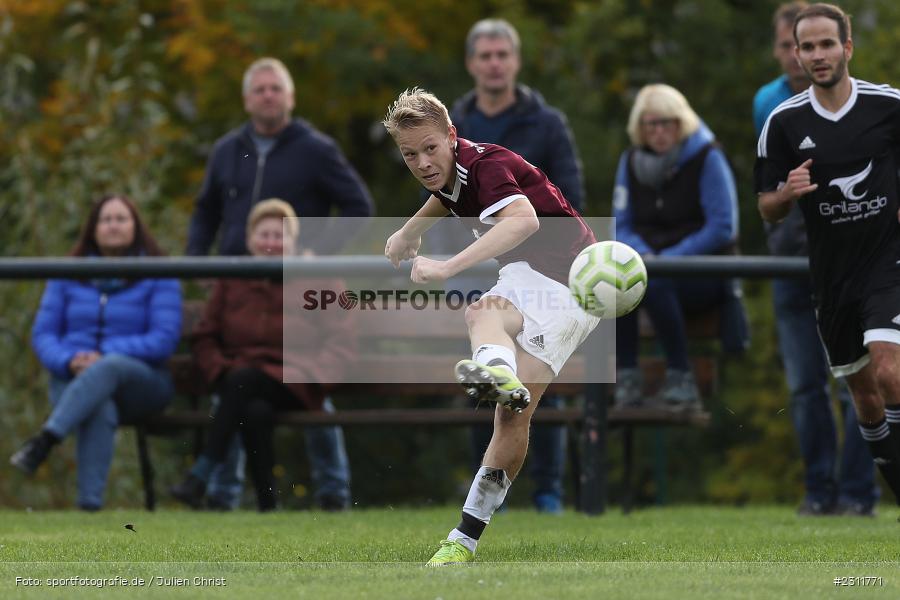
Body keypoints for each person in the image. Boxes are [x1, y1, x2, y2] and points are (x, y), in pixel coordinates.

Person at [382, 88, 600, 565]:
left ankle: (463, 539)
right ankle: (497, 374)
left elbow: (523, 222)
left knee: (511, 416)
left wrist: (446, 267)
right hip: (528, 273)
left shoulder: (487, 165)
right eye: (409, 155)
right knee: (482, 315)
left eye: (430, 148)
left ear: (452, 137)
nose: (421, 163)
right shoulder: (453, 169)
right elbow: (446, 195)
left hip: (572, 285)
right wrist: (410, 231)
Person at [186, 57, 371, 510]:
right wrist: (197, 263)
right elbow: (205, 209)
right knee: (247, 397)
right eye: (260, 89)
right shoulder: (228, 150)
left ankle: (332, 491)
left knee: (281, 396)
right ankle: (226, 494)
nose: (268, 95)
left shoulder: (315, 149)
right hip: (239, 284)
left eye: (276, 88)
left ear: (290, 97)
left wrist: (315, 255)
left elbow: (358, 207)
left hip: (298, 295)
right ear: (248, 98)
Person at [756, 2, 900, 511]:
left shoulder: (888, 105)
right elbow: (765, 208)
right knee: (865, 399)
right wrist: (786, 194)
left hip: (888, 265)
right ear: (796, 53)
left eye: (827, 44)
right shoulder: (783, 122)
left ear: (848, 47)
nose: (818, 55)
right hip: (831, 277)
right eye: (808, 46)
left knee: (890, 373)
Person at [446, 18, 586, 514]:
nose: (493, 63)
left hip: (547, 268)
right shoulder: (453, 124)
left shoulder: (546, 123)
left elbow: (568, 198)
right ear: (471, 64)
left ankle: (546, 490)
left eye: (501, 54)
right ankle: (481, 482)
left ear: (516, 60)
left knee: (536, 386)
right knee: (487, 374)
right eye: (484, 55)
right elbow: (449, 200)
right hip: (487, 268)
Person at [171, 199, 356, 512]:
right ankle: (267, 504)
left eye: (279, 235)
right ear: (249, 240)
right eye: (264, 235)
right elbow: (205, 336)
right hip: (242, 379)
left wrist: (316, 378)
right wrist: (219, 371)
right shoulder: (233, 279)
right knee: (253, 409)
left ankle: (201, 475)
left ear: (293, 241)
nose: (271, 243)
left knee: (241, 384)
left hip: (299, 379)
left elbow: (341, 339)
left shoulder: (321, 278)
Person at [10, 195, 181, 511]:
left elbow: (163, 338)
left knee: (110, 366)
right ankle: (89, 506)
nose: (113, 226)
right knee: (98, 402)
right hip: (74, 377)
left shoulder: (158, 272)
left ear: (136, 226)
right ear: (93, 228)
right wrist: (69, 360)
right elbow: (44, 333)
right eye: (106, 219)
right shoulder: (68, 275)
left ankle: (45, 440)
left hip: (141, 381)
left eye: (121, 219)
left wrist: (103, 355)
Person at [612, 84, 741, 412]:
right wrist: (643, 255)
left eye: (666, 122)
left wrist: (668, 260)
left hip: (701, 271)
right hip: (649, 265)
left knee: (653, 281)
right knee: (613, 281)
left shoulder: (706, 156)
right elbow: (622, 224)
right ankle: (626, 377)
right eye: (649, 124)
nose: (658, 131)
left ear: (681, 122)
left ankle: (681, 376)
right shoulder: (629, 161)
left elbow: (722, 227)